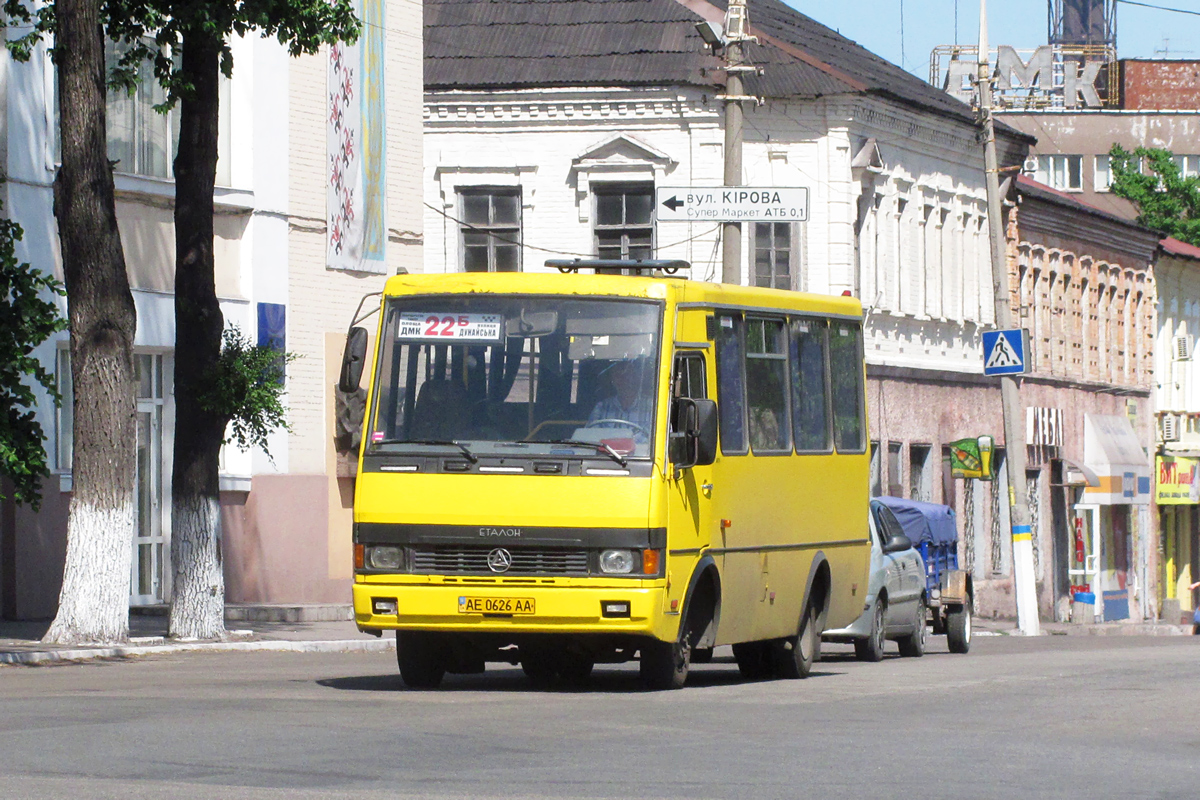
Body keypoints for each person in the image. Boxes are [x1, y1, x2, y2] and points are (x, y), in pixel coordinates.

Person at [588, 359, 654, 441]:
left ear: (637, 379)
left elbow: (657, 439)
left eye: (628, 376)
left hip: (641, 453)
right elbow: (590, 435)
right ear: (613, 380)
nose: (625, 381)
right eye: (619, 376)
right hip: (605, 453)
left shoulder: (652, 407)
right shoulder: (602, 407)